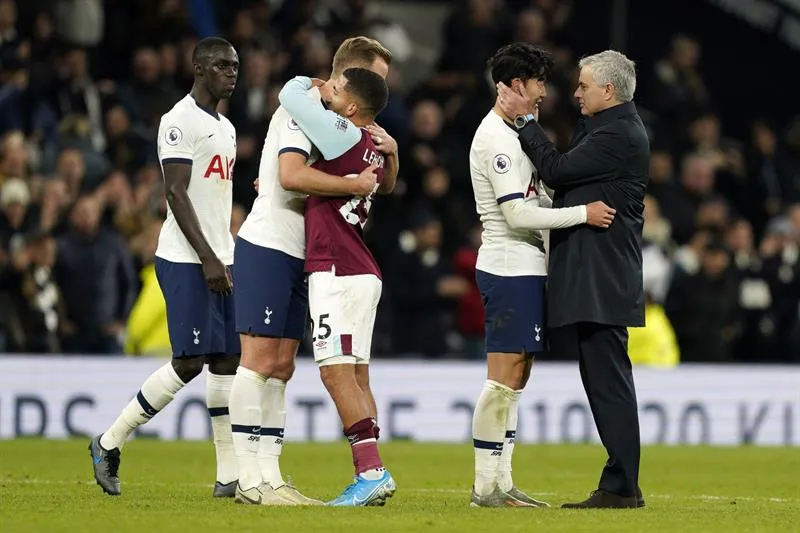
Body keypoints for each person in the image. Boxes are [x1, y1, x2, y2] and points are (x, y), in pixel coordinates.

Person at [228, 37, 397, 506]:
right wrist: (350, 182)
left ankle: (271, 476)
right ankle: (247, 477)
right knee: (259, 360)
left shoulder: (341, 126)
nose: (379, 94)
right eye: (374, 81)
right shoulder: (306, 115)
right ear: (345, 81)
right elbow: (290, 175)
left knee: (281, 366)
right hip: (272, 242)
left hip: (311, 254)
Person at [89, 37, 241, 498]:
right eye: (221, 65)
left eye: (235, 65)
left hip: (222, 256)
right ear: (198, 69)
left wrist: (225, 251)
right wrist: (209, 257)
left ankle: (229, 475)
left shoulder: (227, 127)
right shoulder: (178, 121)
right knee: (190, 362)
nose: (231, 72)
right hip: (186, 259)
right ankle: (109, 442)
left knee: (228, 360)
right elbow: (174, 193)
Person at [497, 49, 649, 509]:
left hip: (601, 277)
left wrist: (524, 124)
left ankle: (622, 486)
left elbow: (558, 169)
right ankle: (621, 482)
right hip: (597, 274)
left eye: (583, 86)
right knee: (604, 378)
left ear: (608, 90)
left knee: (608, 381)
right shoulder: (606, 128)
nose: (575, 93)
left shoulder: (620, 134)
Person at [468, 43, 616, 508]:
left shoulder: (516, 133)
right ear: (516, 85)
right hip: (509, 266)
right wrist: (581, 214)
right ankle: (485, 486)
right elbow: (516, 214)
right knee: (502, 377)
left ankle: (502, 483)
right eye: (538, 84)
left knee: (516, 377)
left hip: (526, 269)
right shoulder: (495, 138)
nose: (544, 93)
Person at [279, 68, 396, 506]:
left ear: (351, 109)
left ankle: (371, 471)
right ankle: (373, 470)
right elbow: (370, 185)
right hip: (361, 270)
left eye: (338, 88)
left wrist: (309, 82)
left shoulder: (344, 134)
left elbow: (290, 96)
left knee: (333, 371)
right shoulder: (373, 148)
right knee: (357, 375)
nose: (331, 90)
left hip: (338, 270)